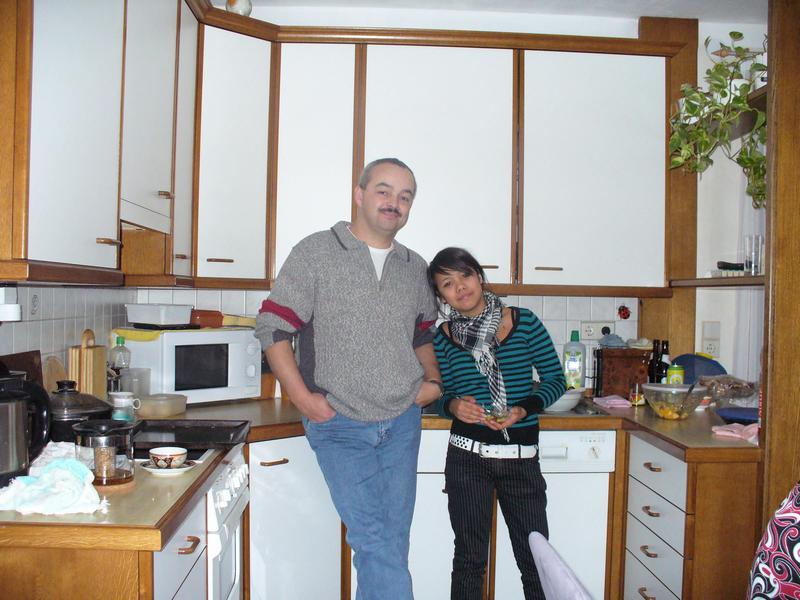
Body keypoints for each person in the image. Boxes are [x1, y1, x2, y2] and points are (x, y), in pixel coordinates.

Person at [255, 158, 441, 600]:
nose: (394, 203)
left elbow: (422, 335)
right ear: (359, 195)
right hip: (339, 425)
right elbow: (272, 328)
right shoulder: (316, 252)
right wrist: (303, 400)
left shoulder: (414, 266)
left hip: (401, 423)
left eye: (405, 196)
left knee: (390, 543)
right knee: (375, 542)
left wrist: (433, 382)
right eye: (383, 191)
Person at [427, 247, 566, 600]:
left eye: (465, 275)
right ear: (441, 296)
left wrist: (522, 409)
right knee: (469, 560)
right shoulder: (443, 336)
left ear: (479, 276)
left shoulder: (525, 322)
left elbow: (555, 380)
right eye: (447, 283)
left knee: (535, 559)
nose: (460, 287)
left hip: (520, 458)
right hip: (467, 459)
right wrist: (454, 406)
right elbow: (439, 394)